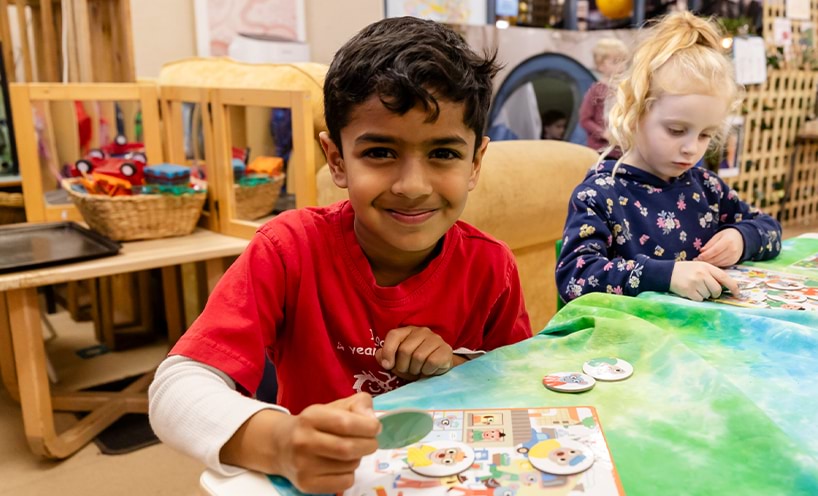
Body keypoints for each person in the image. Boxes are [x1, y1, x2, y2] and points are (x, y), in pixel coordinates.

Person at [149, 16, 532, 494]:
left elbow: (518, 387)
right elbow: (176, 388)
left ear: (475, 162)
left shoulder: (491, 266)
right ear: (336, 160)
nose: (412, 187)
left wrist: (454, 365)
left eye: (443, 154)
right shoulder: (288, 249)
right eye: (379, 152)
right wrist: (280, 443)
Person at [556, 12, 782, 305]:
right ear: (634, 113)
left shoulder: (708, 188)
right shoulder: (599, 194)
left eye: (705, 135)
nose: (692, 148)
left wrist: (742, 239)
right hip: (627, 343)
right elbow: (575, 277)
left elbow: (770, 227)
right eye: (676, 130)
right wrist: (667, 275)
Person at [578, 38, 628, 158]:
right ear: (601, 66)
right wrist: (603, 133)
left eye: (624, 62)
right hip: (600, 150)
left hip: (622, 148)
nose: (621, 66)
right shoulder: (597, 89)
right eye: (615, 62)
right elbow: (585, 119)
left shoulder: (625, 88)